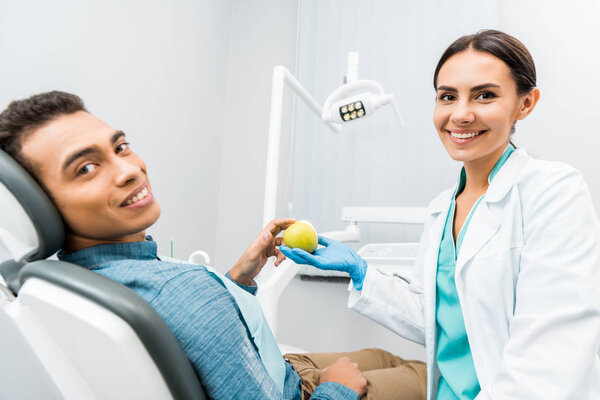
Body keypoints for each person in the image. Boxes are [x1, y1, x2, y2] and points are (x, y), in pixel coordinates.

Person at [0, 91, 427, 399]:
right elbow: (191, 308)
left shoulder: (81, 278)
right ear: (39, 205)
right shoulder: (178, 289)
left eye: (121, 147)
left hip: (280, 370)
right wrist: (336, 390)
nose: (129, 169)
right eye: (87, 167)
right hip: (301, 392)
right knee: (428, 375)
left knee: (381, 355)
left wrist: (238, 278)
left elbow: (198, 336)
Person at [281, 29, 600, 400]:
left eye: (484, 95)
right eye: (448, 97)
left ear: (525, 104)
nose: (460, 114)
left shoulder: (553, 191)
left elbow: (550, 357)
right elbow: (441, 320)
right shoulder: (441, 210)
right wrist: (362, 273)